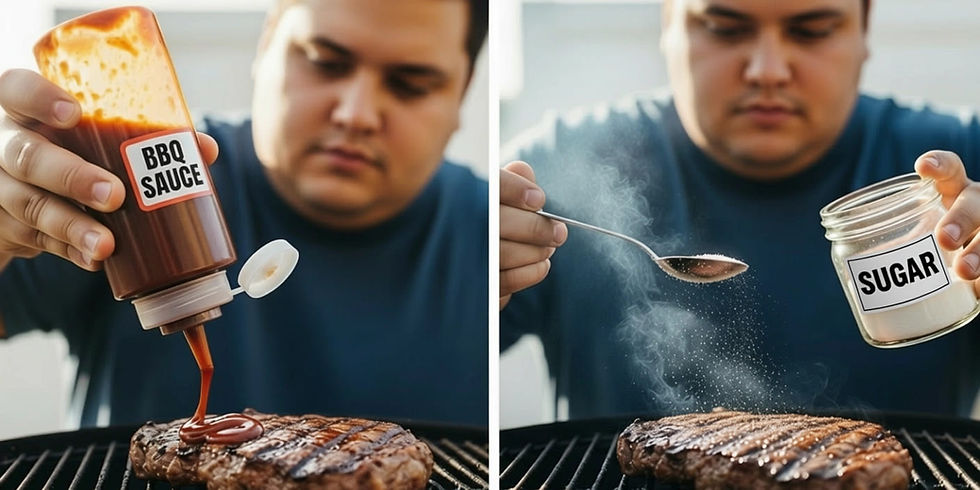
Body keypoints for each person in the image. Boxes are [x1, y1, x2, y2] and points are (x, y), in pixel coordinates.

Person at [0, 0, 488, 428]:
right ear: (266, 44)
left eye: (411, 85)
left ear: (464, 94)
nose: (355, 113)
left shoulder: (494, 237)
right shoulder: (107, 183)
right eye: (324, 61)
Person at [500, 0, 980, 420]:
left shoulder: (959, 165)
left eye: (811, 30)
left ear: (864, 24)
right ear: (668, 19)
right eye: (725, 28)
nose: (768, 69)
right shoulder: (554, 173)